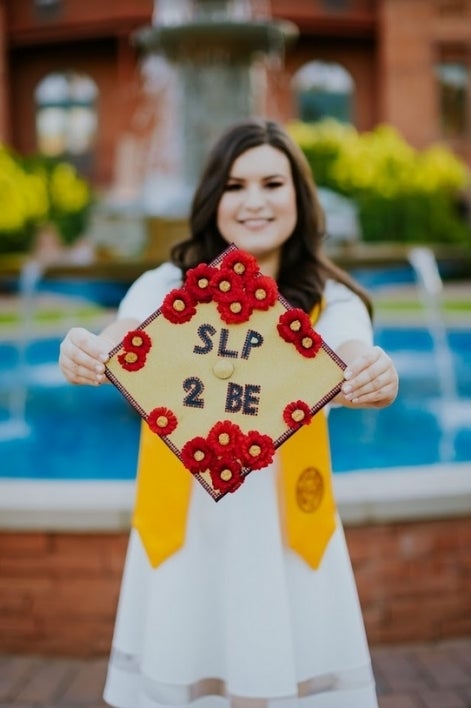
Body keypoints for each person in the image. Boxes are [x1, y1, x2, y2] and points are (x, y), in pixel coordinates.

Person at [59, 118, 398, 708]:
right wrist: (92, 348)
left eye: (273, 183)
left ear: (300, 196)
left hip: (286, 524)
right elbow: (126, 332)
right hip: (186, 524)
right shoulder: (167, 285)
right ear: (212, 197)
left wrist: (372, 373)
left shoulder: (328, 297)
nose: (254, 202)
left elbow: (349, 352)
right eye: (235, 185)